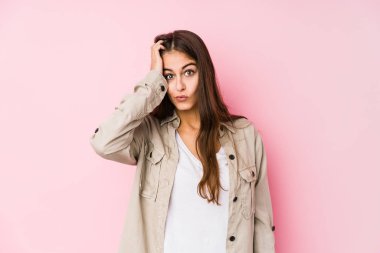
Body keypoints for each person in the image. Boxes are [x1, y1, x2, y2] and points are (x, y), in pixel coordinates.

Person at [89, 29, 276, 253]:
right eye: (169, 76)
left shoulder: (245, 136)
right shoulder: (151, 135)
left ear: (204, 73)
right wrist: (152, 82)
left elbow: (262, 225)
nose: (179, 86)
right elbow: (103, 141)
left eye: (188, 72)